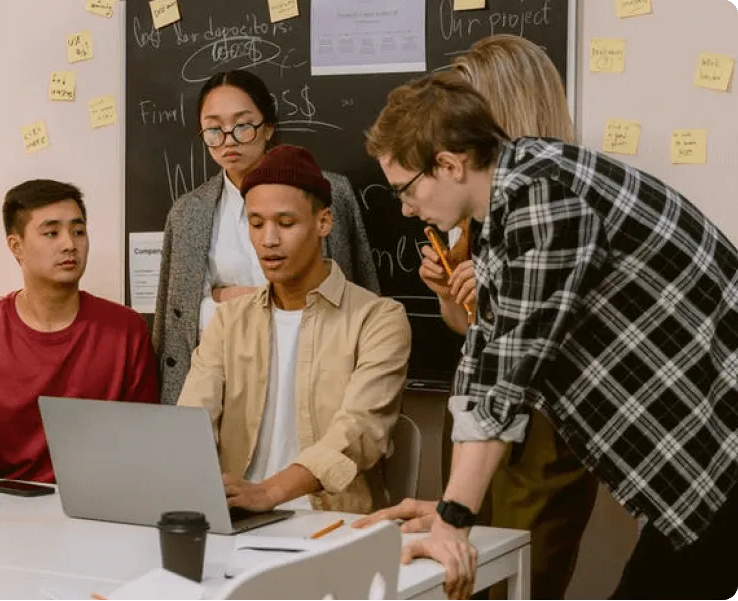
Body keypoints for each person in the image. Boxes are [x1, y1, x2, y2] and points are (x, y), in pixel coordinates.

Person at [358, 70, 738, 600]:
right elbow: (484, 362)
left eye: (406, 189)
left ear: (449, 165)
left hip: (723, 449)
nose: (405, 208)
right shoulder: (507, 206)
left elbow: (510, 378)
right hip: (708, 457)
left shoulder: (543, 195)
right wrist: (450, 510)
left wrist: (452, 521)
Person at [394, 35, 598, 601]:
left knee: (525, 579)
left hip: (546, 420)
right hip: (479, 411)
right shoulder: (471, 200)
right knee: (463, 573)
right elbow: (475, 333)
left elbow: (544, 341)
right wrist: (450, 294)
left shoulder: (553, 198)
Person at [177, 144, 411, 514]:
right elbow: (191, 420)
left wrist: (268, 493)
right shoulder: (229, 320)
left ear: (324, 223)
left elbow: (358, 431)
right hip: (236, 514)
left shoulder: (378, 319)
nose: (268, 240)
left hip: (331, 522)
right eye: (256, 224)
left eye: (286, 224)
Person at [0, 179, 159, 491]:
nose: (69, 244)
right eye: (51, 233)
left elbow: (145, 434)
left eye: (78, 231)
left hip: (95, 501)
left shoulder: (127, 330)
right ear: (16, 246)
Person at [154, 70, 380, 406]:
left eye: (242, 125)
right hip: (220, 380)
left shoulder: (329, 192)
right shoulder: (188, 212)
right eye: (214, 129)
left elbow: (357, 289)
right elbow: (179, 320)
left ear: (268, 127)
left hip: (314, 372)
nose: (228, 140)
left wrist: (227, 295)